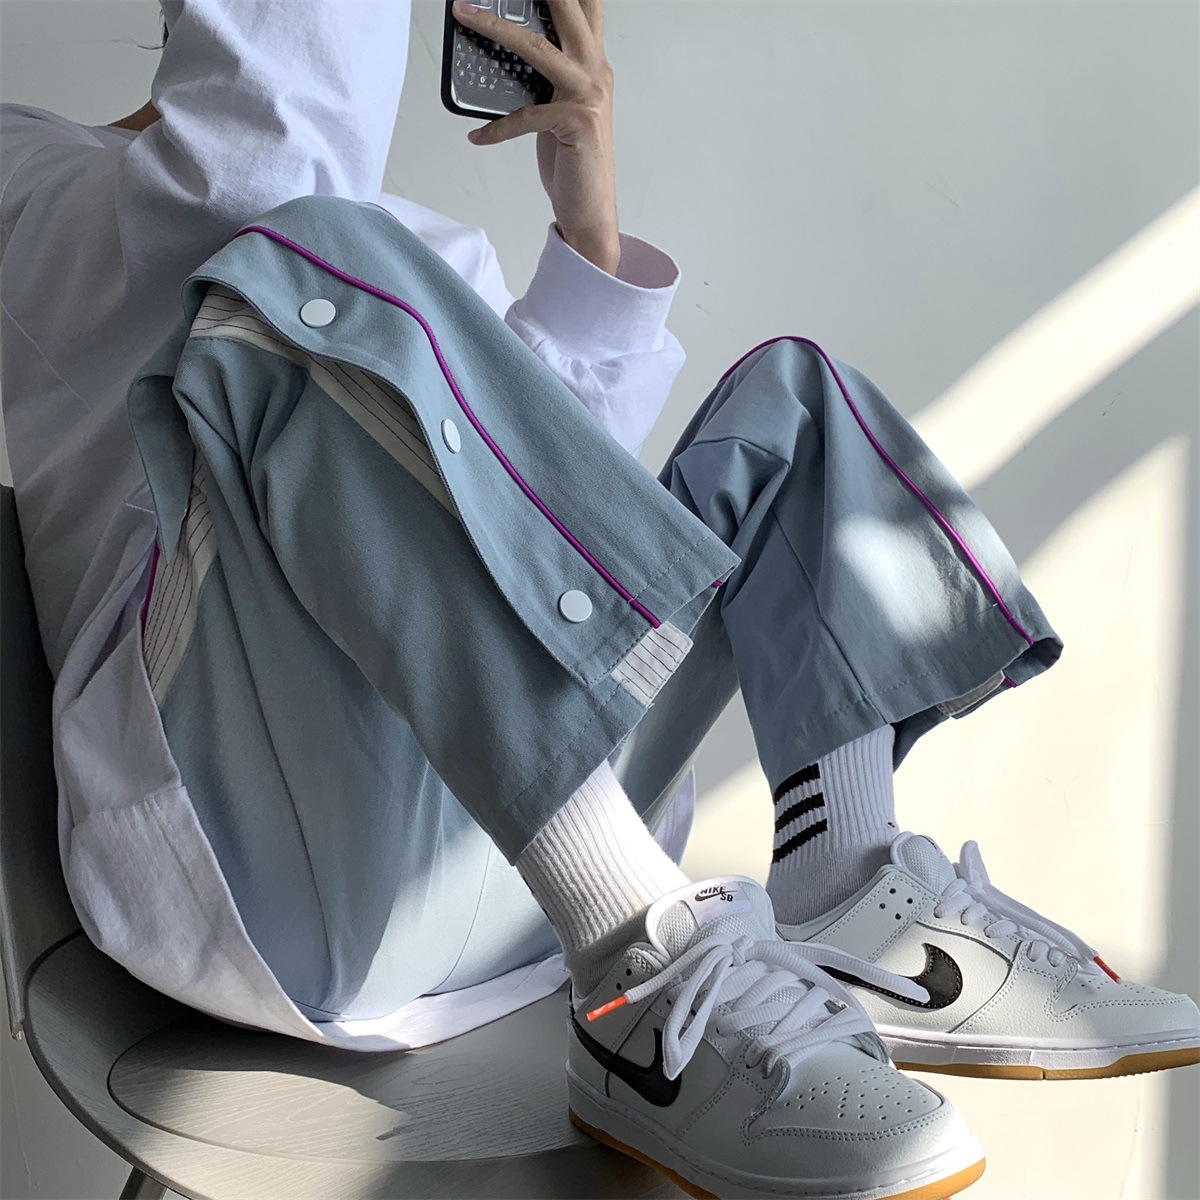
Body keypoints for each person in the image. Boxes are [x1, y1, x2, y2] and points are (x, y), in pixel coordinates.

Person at [1, 2, 1195, 1196]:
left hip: (506, 873)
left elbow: (553, 542)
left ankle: (847, 882)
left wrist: (587, 218)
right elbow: (254, 181)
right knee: (309, 274)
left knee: (786, 408)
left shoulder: (389, 252)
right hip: (275, 882)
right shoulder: (36, 175)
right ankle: (642, 957)